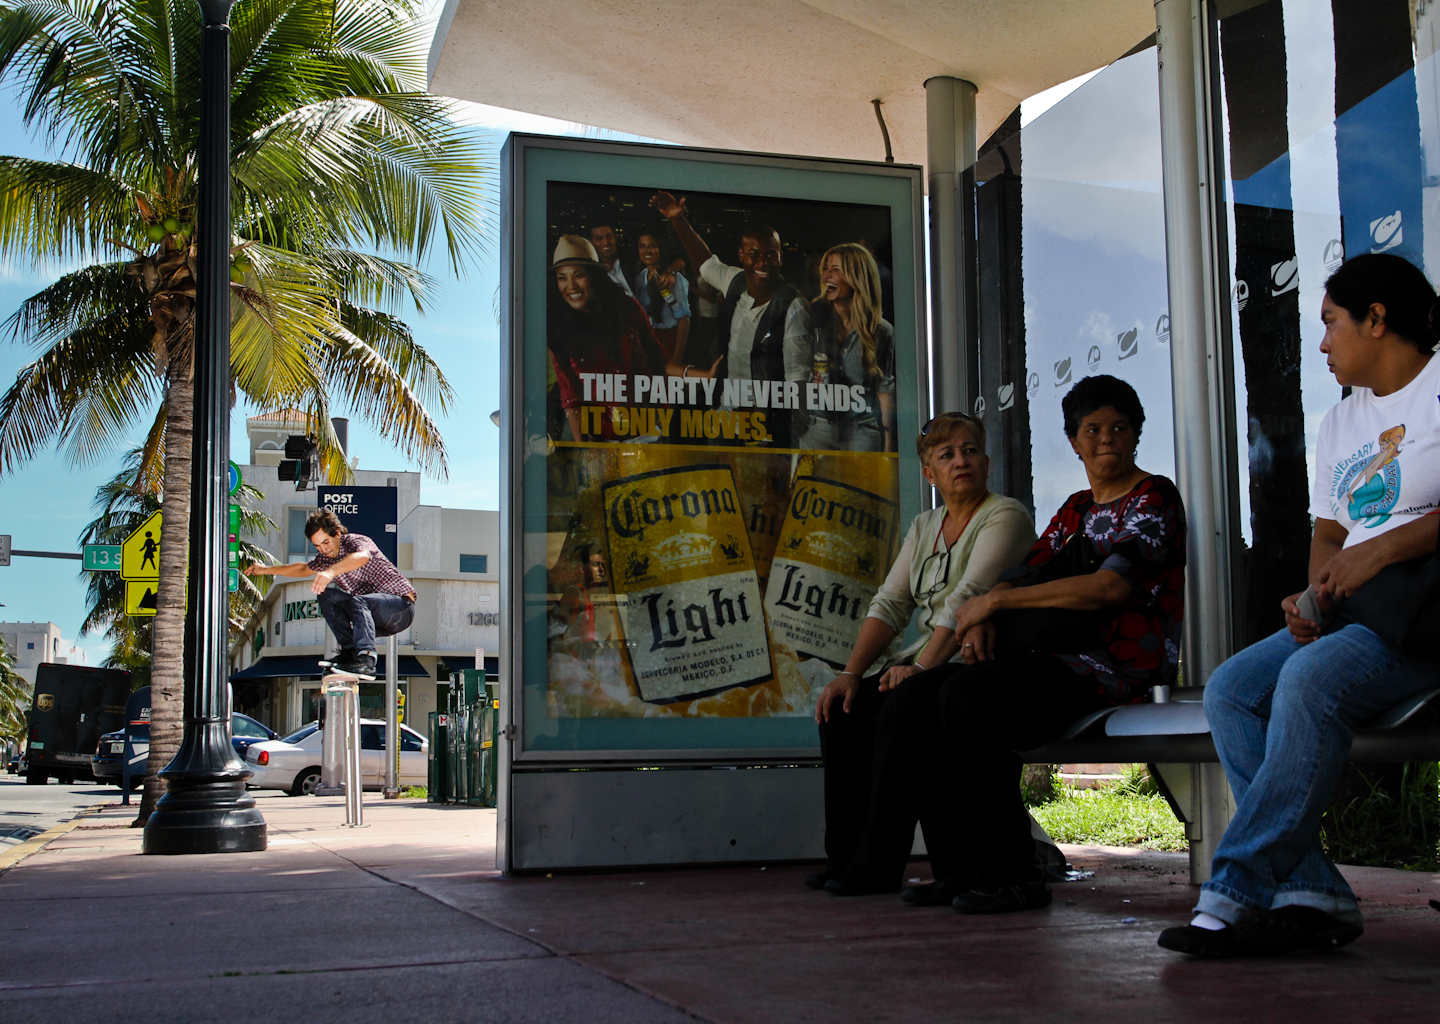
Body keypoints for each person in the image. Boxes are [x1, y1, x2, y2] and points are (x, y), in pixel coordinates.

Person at [1158, 253, 1440, 958]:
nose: (1321, 344)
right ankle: (1313, 890)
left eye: (1331, 324)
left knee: (1307, 680)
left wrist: (1380, 552)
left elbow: (1368, 544)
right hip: (1354, 609)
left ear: (1377, 321)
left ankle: (1234, 890)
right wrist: (1315, 594)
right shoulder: (1342, 421)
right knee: (1230, 690)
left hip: (1416, 611)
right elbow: (1329, 530)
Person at [833, 375, 1186, 911]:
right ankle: (958, 870)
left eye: (1118, 427)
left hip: (1116, 667)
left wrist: (993, 605)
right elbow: (1026, 573)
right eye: (1091, 429)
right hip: (1061, 659)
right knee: (914, 699)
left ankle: (1012, 874)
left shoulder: (1153, 495)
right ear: (1073, 441)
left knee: (967, 698)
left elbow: (1109, 586)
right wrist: (982, 615)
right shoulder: (1074, 509)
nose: (1106, 438)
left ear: (1137, 434)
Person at [809, 412, 1035, 891]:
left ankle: (877, 866)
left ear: (987, 461)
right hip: (925, 660)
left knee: (900, 706)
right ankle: (845, 859)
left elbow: (969, 596)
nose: (961, 461)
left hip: (971, 661)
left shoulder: (1005, 515)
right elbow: (890, 602)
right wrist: (851, 673)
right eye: (947, 454)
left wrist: (918, 668)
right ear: (929, 473)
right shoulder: (925, 524)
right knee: (844, 710)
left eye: (971, 450)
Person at [648, 190, 812, 446]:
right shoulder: (735, 280)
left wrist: (763, 421)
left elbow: (798, 388)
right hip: (725, 416)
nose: (763, 262)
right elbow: (705, 262)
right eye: (754, 254)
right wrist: (678, 219)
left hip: (764, 429)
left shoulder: (794, 307)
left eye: (771, 254)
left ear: (780, 257)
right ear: (741, 255)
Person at [546, 235, 717, 442]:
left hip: (649, 430)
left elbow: (659, 359)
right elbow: (571, 399)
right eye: (562, 277)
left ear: (594, 276)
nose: (571, 286)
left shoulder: (626, 307)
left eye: (578, 275)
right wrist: (585, 453)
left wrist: (705, 375)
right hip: (604, 440)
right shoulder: (558, 330)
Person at [246, 510, 416, 680]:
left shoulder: (356, 541)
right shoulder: (325, 559)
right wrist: (266, 569)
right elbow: (303, 568)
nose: (324, 549)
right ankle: (350, 653)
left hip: (401, 608)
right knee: (326, 595)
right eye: (318, 546)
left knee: (358, 602)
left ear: (337, 533)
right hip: (373, 615)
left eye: (326, 542)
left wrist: (330, 572)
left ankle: (366, 661)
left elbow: (362, 557)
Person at [799, 243, 897, 452]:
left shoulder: (881, 330)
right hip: (819, 427)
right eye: (826, 269)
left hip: (861, 431)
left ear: (856, 276)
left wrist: (888, 446)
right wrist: (810, 381)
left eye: (836, 270)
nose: (827, 276)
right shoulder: (811, 318)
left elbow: (884, 389)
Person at [633, 230, 690, 361]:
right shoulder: (640, 278)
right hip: (647, 341)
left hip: (668, 340)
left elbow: (684, 321)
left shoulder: (673, 278)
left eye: (652, 245)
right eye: (642, 246)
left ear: (660, 248)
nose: (647, 250)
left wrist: (677, 358)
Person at [590, 223, 634, 297]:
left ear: (615, 238)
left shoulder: (633, 261)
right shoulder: (593, 273)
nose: (606, 242)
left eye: (609, 237)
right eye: (599, 239)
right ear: (591, 243)